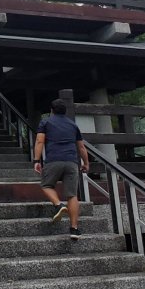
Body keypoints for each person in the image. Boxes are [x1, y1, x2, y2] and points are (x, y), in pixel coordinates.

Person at [33, 98, 90, 239]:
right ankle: (74, 229)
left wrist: (36, 160)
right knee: (72, 195)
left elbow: (40, 141)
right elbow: (81, 146)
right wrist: (86, 163)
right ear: (65, 111)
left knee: (46, 185)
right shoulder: (72, 125)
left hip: (54, 160)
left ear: (51, 110)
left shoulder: (45, 122)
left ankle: (58, 205)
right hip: (71, 161)